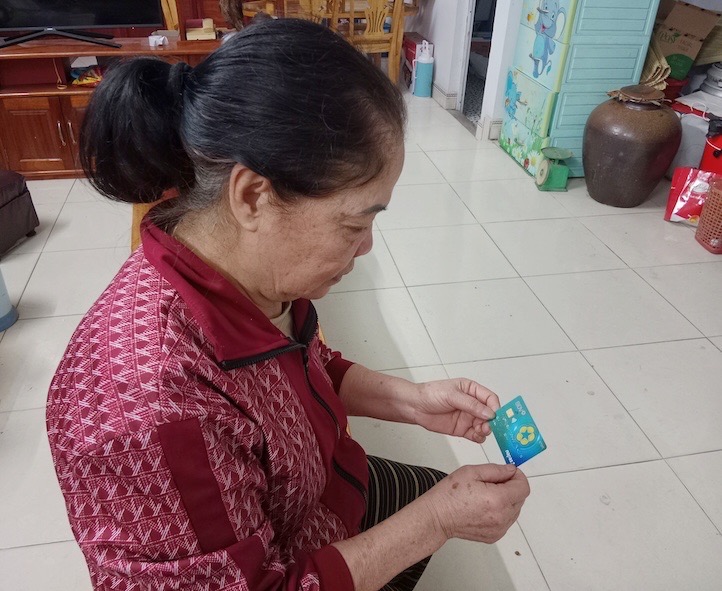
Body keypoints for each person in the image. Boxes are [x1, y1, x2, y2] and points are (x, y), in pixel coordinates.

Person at [46, 19, 530, 591]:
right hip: (288, 563)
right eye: (353, 224)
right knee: (431, 503)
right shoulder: (154, 410)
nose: (366, 248)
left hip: (318, 497)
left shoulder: (242, 270)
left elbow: (300, 364)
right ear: (254, 196)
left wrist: (414, 401)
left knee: (423, 489)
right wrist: (438, 520)